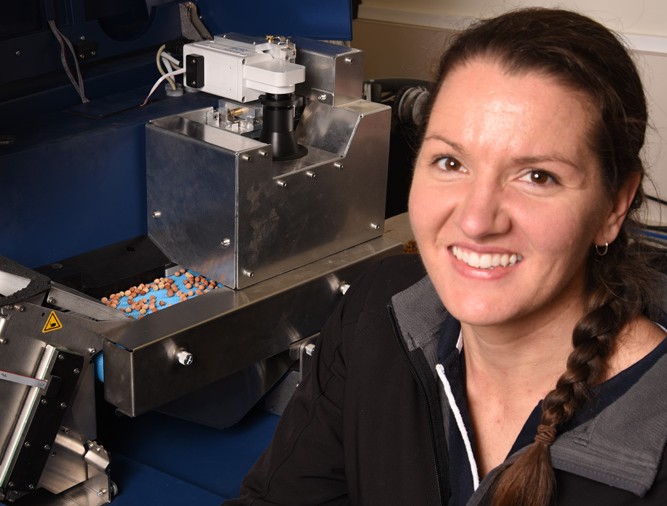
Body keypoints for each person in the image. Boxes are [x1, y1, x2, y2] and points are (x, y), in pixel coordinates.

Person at [224, 8, 667, 506]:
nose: (477, 220)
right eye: (451, 162)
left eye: (537, 176)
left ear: (615, 206)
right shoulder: (380, 310)